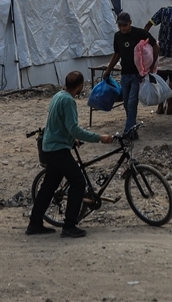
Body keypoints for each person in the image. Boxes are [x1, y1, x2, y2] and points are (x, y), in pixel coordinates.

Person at [27, 71, 114, 238]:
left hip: (50, 146)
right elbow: (73, 128)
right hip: (58, 149)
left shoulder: (58, 95)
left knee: (49, 186)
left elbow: (58, 123)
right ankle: (69, 225)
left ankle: (35, 223)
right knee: (78, 182)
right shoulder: (68, 101)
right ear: (80, 86)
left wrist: (71, 139)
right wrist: (99, 137)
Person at [101, 12, 157, 141]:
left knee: (132, 103)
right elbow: (117, 54)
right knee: (126, 103)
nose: (122, 28)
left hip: (137, 75)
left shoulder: (139, 34)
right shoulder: (118, 36)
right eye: (120, 26)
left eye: (124, 25)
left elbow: (155, 45)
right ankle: (133, 130)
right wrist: (108, 70)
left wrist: (152, 65)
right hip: (125, 74)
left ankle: (127, 132)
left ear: (130, 23)